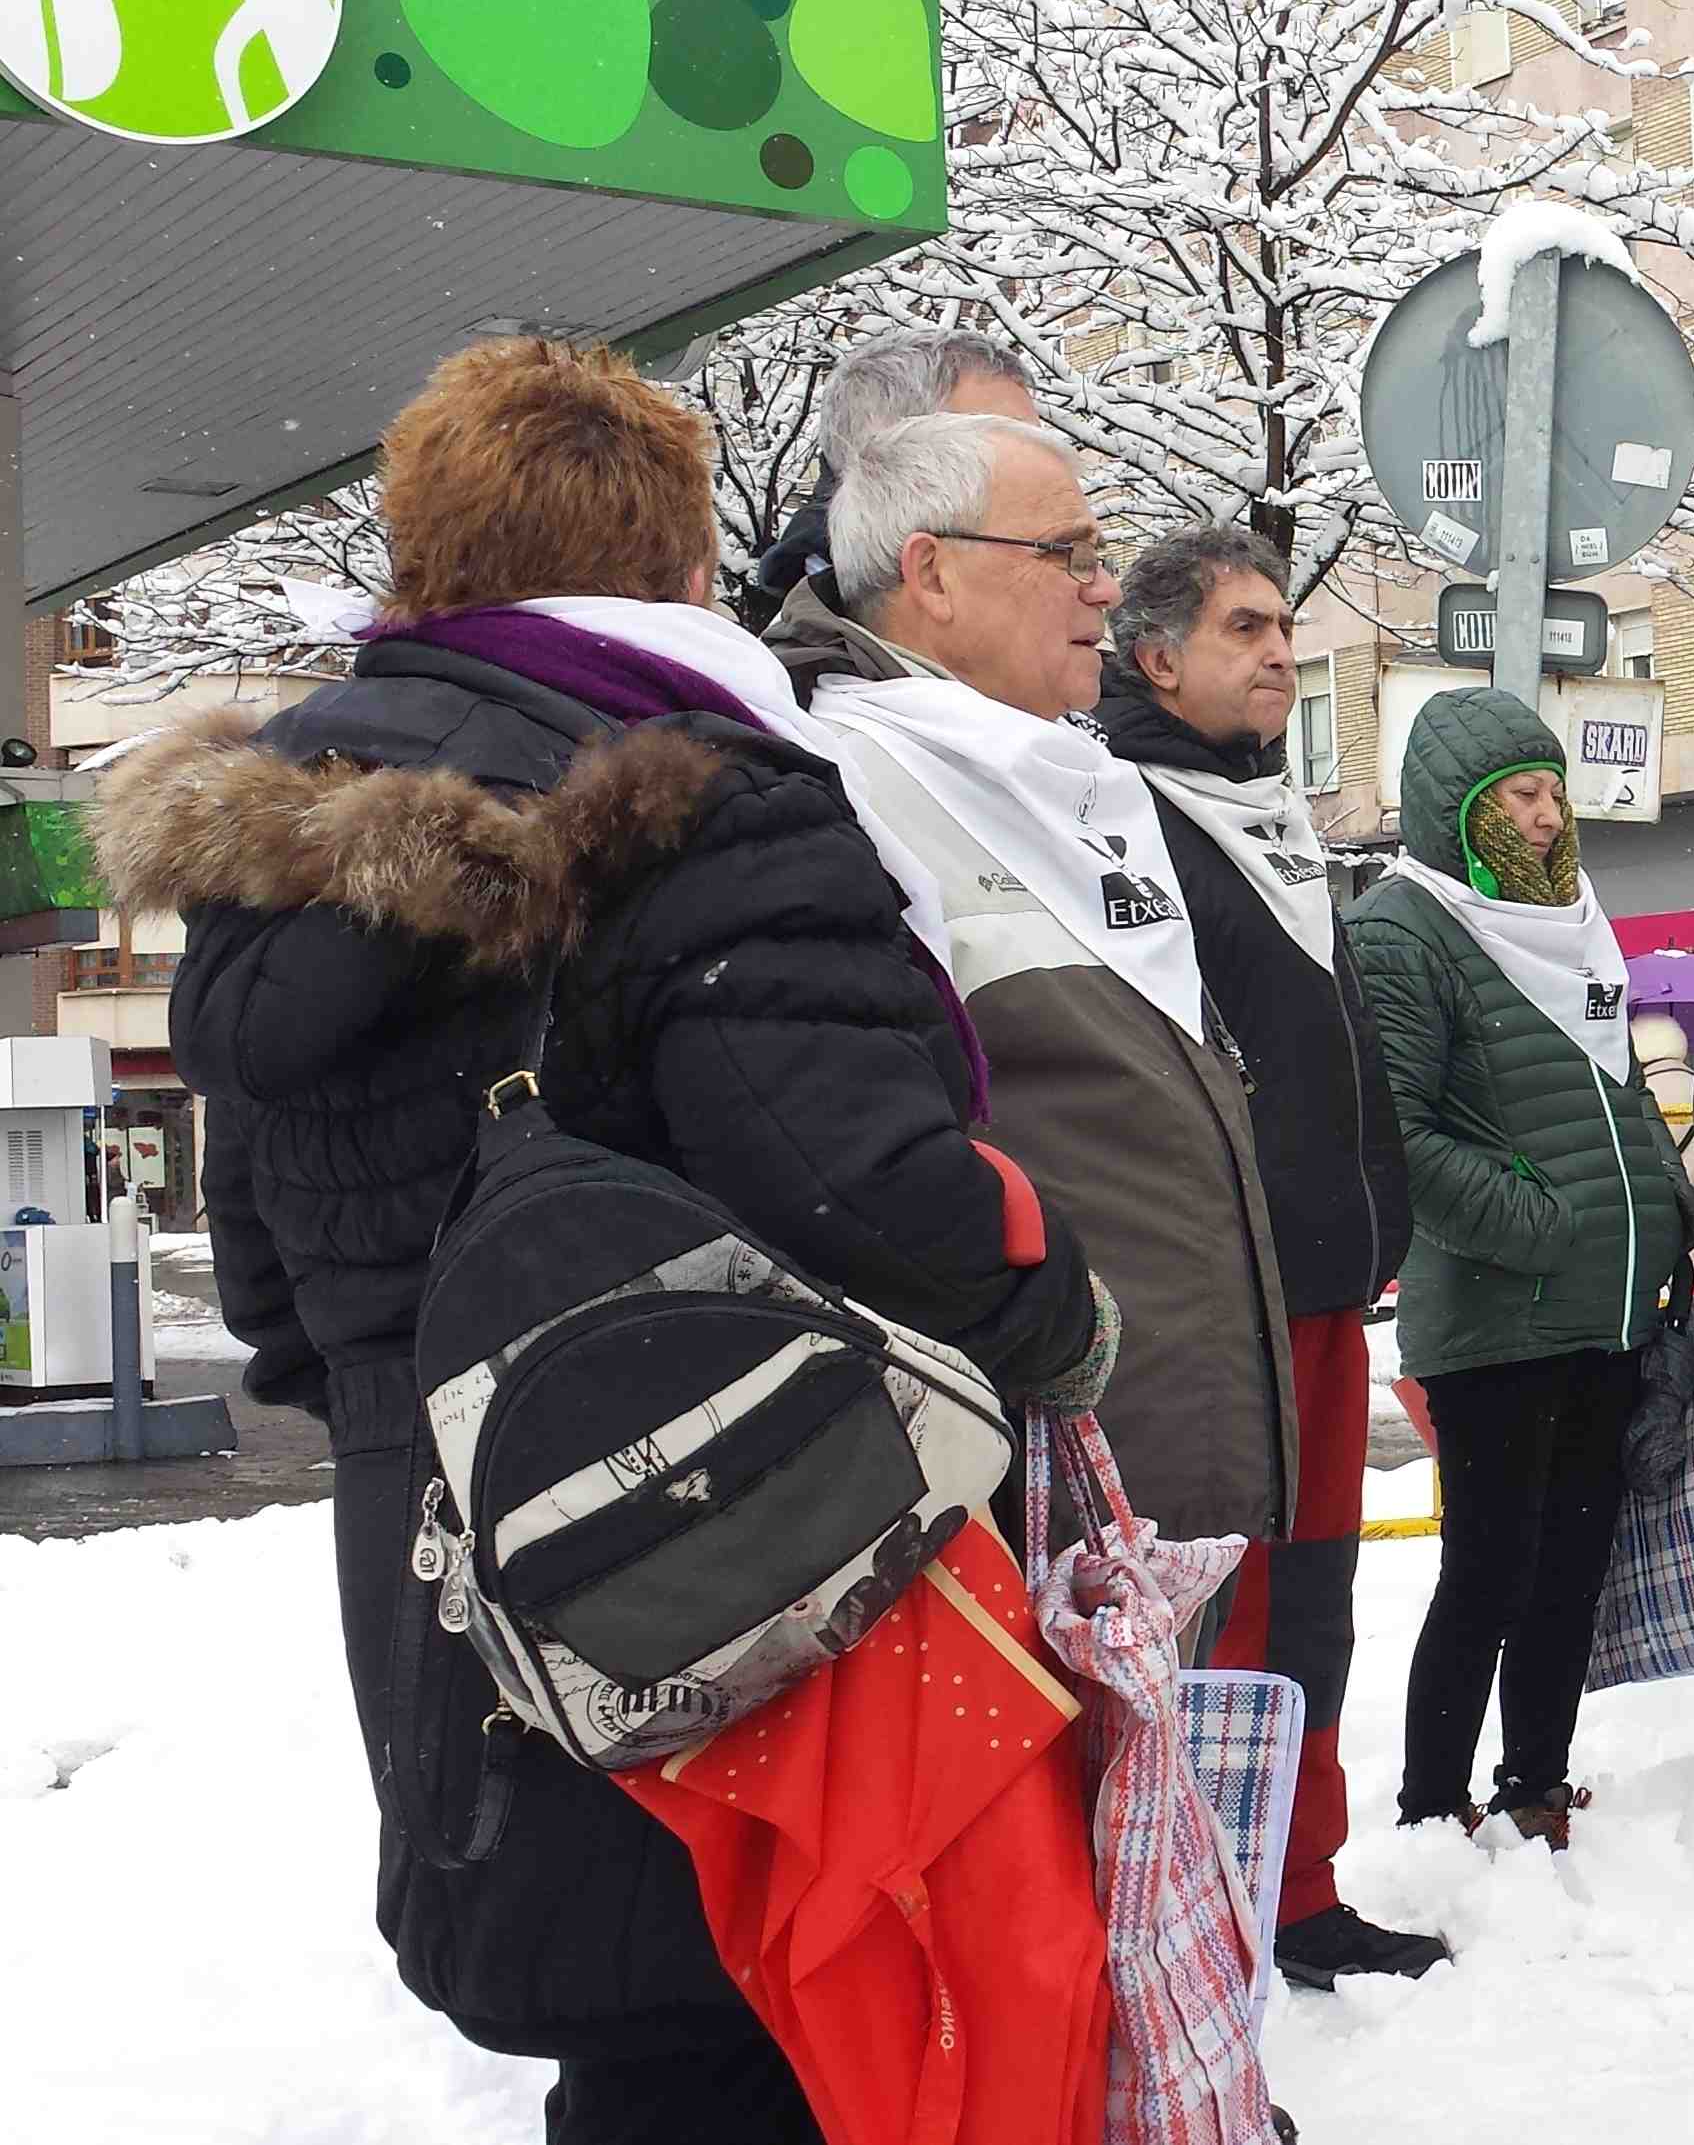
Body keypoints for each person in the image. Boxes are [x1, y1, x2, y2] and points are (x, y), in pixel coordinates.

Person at [96, 339, 1111, 2144]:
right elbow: (870, 1191)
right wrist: (1062, 1314)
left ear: (421, 559)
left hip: (453, 1575)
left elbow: (262, 1278)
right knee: (774, 2027)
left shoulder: (269, 850)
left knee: (628, 2042)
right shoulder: (686, 798)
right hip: (743, 1574)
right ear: (681, 560)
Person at [771, 415, 1297, 1555]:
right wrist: (1053, 1349)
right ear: (932, 574)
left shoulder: (1068, 776)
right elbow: (853, 1167)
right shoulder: (830, 780)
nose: (1104, 593)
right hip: (1016, 1496)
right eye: (1067, 555)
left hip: (1159, 1474)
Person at [1091, 524, 1440, 1984]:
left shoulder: (1270, 813)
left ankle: (1300, 1886)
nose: (1280, 651)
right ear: (1157, 659)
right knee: (1224, 1616)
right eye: (1245, 629)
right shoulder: (1125, 811)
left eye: (1283, 625)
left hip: (1319, 1283)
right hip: (1216, 1297)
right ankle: (1208, 1898)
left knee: (1315, 1600)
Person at [1346, 689, 1694, 1846]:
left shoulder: (1575, 921)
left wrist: (1662, 1204)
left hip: (1602, 1305)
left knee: (1572, 1572)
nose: (1547, 820)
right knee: (1487, 1576)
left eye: (1554, 795)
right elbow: (1395, 1130)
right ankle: (1432, 1807)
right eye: (1520, 798)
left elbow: (1617, 1091)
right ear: (1458, 811)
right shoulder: (1405, 927)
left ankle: (1536, 1783)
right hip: (1497, 1314)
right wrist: (1538, 1223)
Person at [747, 329, 1045, 630]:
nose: (1049, 468)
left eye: (1043, 445)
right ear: (882, 460)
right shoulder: (813, 670)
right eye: (1009, 444)